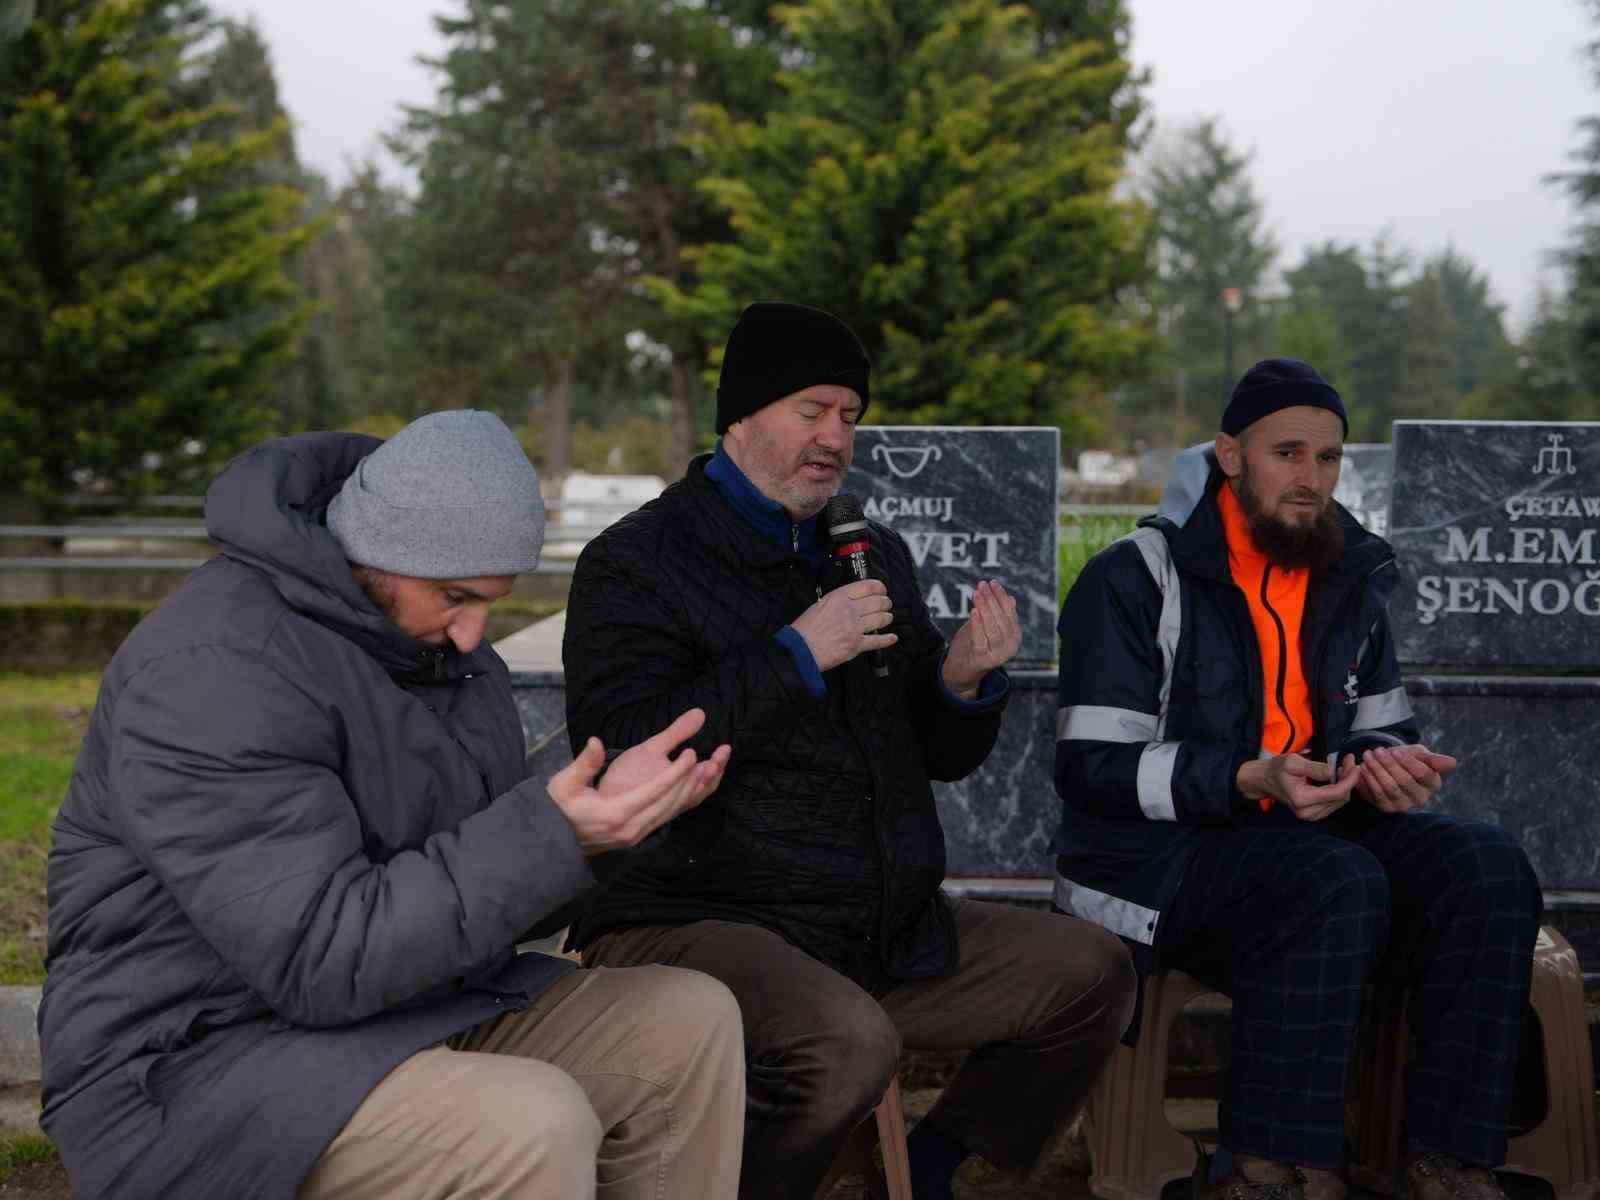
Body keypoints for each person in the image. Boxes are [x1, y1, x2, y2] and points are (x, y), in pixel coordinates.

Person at [39, 411, 746, 1200]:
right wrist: (549, 834)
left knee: (689, 1022)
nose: (477, 634)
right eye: (456, 596)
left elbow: (468, 893)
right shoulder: (213, 673)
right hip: (189, 1065)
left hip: (400, 1011)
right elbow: (322, 957)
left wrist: (605, 826)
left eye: (494, 600)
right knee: (528, 1123)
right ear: (377, 553)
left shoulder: (436, 653)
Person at [562, 301, 1137, 1200]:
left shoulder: (866, 552)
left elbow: (934, 756)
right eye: (812, 410)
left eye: (851, 415)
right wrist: (796, 655)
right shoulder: (633, 561)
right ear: (742, 414)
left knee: (1092, 973)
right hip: (700, 919)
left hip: (877, 930)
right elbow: (624, 749)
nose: (836, 437)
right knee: (847, 1043)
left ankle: (936, 1170)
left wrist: (962, 680)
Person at [1052, 359, 1542, 1200]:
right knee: (1334, 877)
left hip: (1305, 833)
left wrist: (1385, 766)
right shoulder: (1134, 579)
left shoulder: (1349, 578)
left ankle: (1446, 1160)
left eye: (1328, 458)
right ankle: (1269, 1169)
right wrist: (1244, 776)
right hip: (1159, 863)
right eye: (1287, 453)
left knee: (1487, 864)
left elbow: (1379, 723)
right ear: (1230, 456)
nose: (1311, 479)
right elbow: (1090, 767)